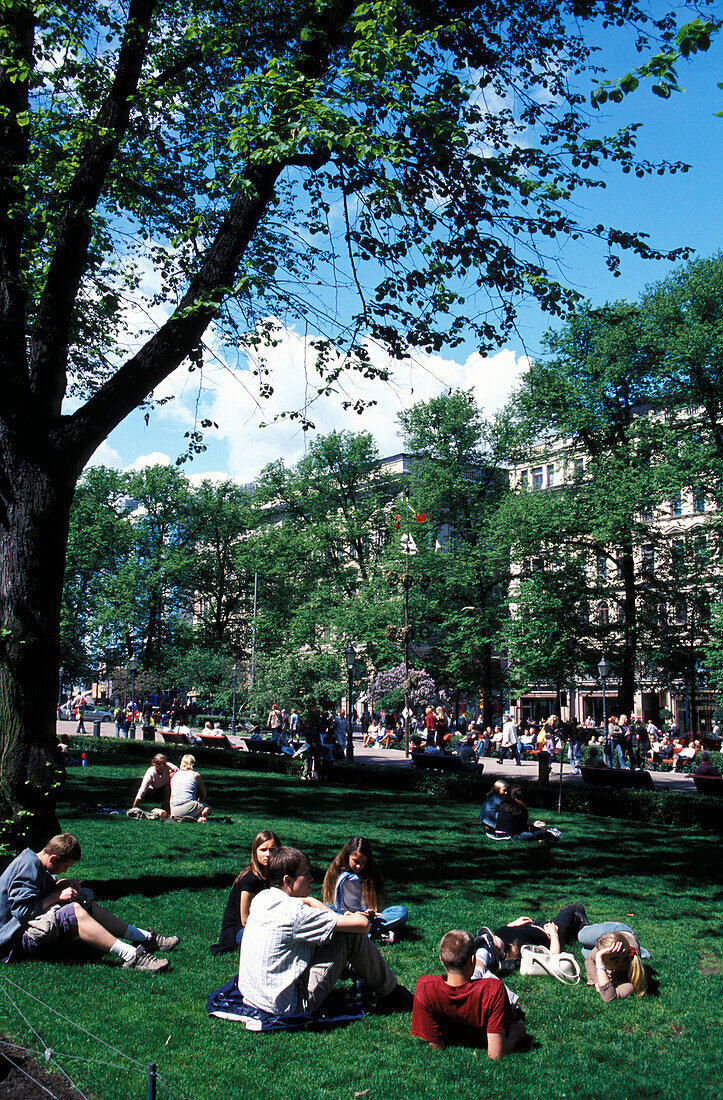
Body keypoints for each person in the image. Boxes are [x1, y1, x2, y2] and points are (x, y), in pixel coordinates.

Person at [237, 846, 412, 1016]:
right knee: (350, 936)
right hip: (289, 1005)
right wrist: (336, 913)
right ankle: (391, 994)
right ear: (287, 881)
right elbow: (363, 925)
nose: (311, 878)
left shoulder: (262, 898)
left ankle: (362, 976)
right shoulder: (296, 914)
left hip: (255, 996)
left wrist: (312, 901)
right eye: (305, 873)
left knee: (330, 932)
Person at [0, 833, 179, 971]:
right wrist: (57, 896)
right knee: (74, 911)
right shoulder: (27, 867)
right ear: (53, 858)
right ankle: (132, 956)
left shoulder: (35, 863)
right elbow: (23, 912)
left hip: (22, 931)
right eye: (64, 867)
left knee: (82, 900)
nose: (64, 871)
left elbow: (39, 889)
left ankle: (145, 938)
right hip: (12, 943)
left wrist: (61, 884)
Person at [411, 929, 525, 1057]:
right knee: (484, 974)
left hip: (468, 982)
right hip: (491, 993)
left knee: (479, 972)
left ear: (441, 960)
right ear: (472, 960)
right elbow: (496, 1054)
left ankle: (485, 950)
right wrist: (514, 1035)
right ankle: (485, 951)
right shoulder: (493, 989)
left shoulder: (425, 987)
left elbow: (436, 1047)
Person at [322, 837, 408, 944]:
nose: (358, 866)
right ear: (348, 856)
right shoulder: (337, 874)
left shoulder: (369, 875)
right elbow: (336, 906)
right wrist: (350, 915)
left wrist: (370, 912)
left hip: (365, 918)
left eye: (362, 862)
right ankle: (374, 933)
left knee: (401, 912)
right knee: (326, 909)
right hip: (345, 916)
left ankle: (358, 931)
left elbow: (372, 905)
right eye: (355, 861)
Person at [212, 830, 280, 953]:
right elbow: (245, 920)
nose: (268, 854)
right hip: (237, 932)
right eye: (263, 850)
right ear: (255, 851)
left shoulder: (273, 876)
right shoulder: (250, 878)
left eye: (272, 850)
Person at [486, 903, 589, 968]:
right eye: (493, 944)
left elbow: (505, 930)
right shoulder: (519, 950)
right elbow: (553, 957)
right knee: (570, 909)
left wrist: (513, 924)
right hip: (551, 931)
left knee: (572, 918)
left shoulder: (497, 936)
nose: (492, 938)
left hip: (535, 923)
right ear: (502, 954)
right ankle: (583, 925)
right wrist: (554, 934)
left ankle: (580, 925)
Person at [580, 927, 647, 1001]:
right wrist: (596, 982)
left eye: (603, 960)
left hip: (622, 938)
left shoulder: (630, 980)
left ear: (616, 961)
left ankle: (643, 952)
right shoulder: (612, 947)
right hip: (617, 929)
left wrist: (599, 959)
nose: (601, 962)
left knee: (585, 951)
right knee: (581, 936)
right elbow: (589, 959)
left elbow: (608, 997)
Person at [170, 754, 209, 821]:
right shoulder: (196, 775)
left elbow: (172, 795)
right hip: (189, 805)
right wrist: (199, 800)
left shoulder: (174, 776)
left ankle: (192, 815)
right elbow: (204, 794)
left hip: (174, 810)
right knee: (207, 807)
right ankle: (203, 816)